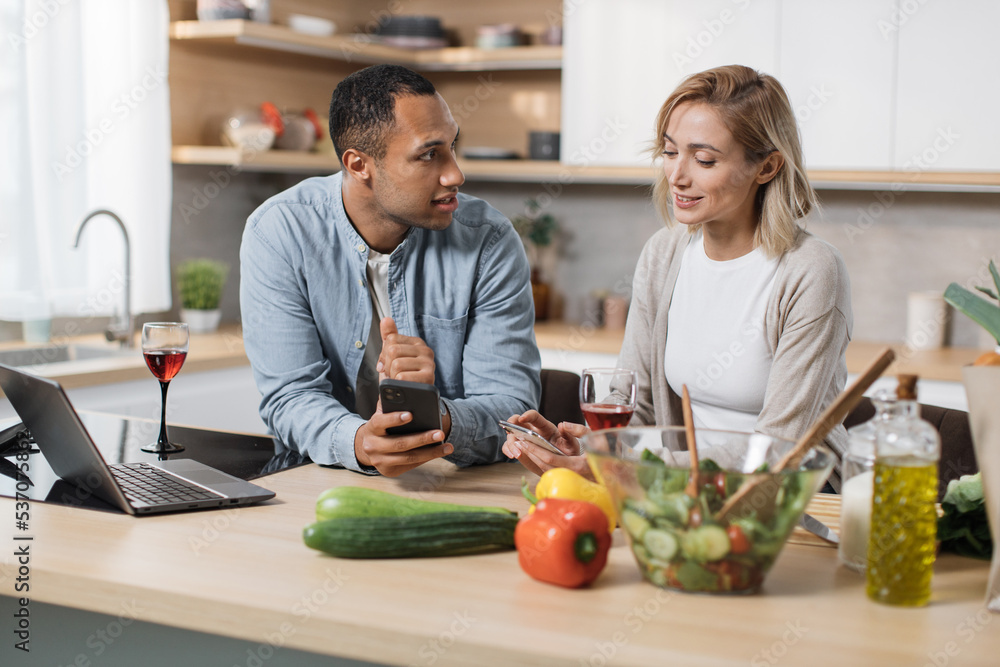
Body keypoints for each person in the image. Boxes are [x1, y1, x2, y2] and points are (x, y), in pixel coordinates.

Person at [503, 65, 853, 489]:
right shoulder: (664, 253)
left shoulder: (811, 270)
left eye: (704, 159)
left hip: (793, 503)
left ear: (767, 167)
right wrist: (592, 447)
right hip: (680, 492)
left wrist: (636, 467)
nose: (678, 176)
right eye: (670, 152)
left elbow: (778, 447)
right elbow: (638, 407)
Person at [241, 64, 541, 477]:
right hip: (318, 479)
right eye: (429, 154)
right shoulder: (280, 232)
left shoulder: (487, 240)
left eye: (453, 146)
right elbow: (290, 399)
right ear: (359, 164)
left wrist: (436, 416)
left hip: (451, 482)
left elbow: (513, 408)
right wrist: (362, 442)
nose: (456, 173)